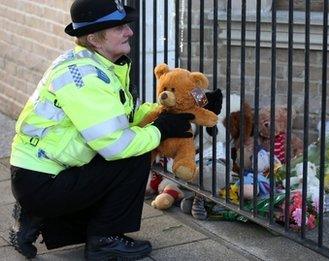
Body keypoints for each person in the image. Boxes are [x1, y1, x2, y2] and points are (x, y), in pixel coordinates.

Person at [8, 0, 222, 260]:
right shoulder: (86, 78)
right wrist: (161, 129)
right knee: (134, 155)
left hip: (46, 172)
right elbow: (116, 146)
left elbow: (123, 118)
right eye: (119, 27)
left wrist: (172, 111)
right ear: (95, 38)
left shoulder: (97, 64)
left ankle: (35, 216)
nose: (129, 31)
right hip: (44, 180)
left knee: (134, 147)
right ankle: (104, 239)